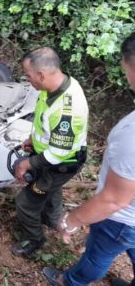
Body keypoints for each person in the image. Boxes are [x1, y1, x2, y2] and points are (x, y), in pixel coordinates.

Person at [43, 33, 135, 286]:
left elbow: (114, 200)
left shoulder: (132, 135)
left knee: (97, 255)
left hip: (123, 219)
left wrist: (70, 220)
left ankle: (70, 281)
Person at [12, 47, 89, 258]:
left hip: (61, 164)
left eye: (28, 76)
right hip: (52, 157)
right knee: (50, 189)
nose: (28, 80)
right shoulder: (54, 86)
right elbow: (46, 125)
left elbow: (58, 152)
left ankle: (34, 239)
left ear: (41, 75)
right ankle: (50, 216)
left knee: (25, 202)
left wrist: (29, 163)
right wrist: (33, 140)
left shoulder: (67, 109)